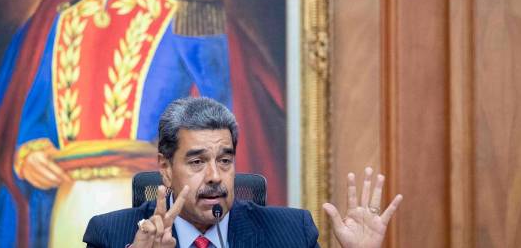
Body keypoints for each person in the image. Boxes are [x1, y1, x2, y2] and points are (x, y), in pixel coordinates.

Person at [0, 0, 286, 247]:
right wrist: (31, 153)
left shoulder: (190, 14)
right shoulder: (58, 18)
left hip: (157, 214)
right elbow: (31, 123)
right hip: (67, 211)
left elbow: (227, 133)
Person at [83, 97, 403, 248]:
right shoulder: (112, 234)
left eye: (225, 160)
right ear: (165, 168)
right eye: (197, 162)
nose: (215, 176)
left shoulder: (291, 234)